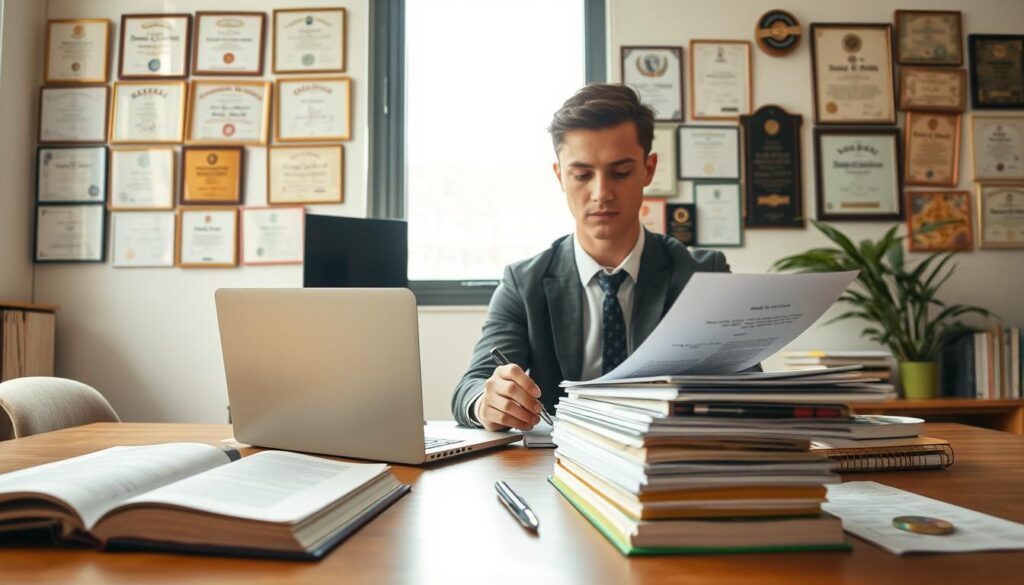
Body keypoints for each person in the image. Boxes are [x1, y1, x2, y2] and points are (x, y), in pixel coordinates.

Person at [451, 83, 732, 431]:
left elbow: (746, 383)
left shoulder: (703, 274)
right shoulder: (524, 282)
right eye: (582, 175)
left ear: (648, 169)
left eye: (620, 173)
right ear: (560, 176)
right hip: (559, 466)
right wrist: (488, 402)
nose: (601, 193)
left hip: (669, 462)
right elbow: (471, 387)